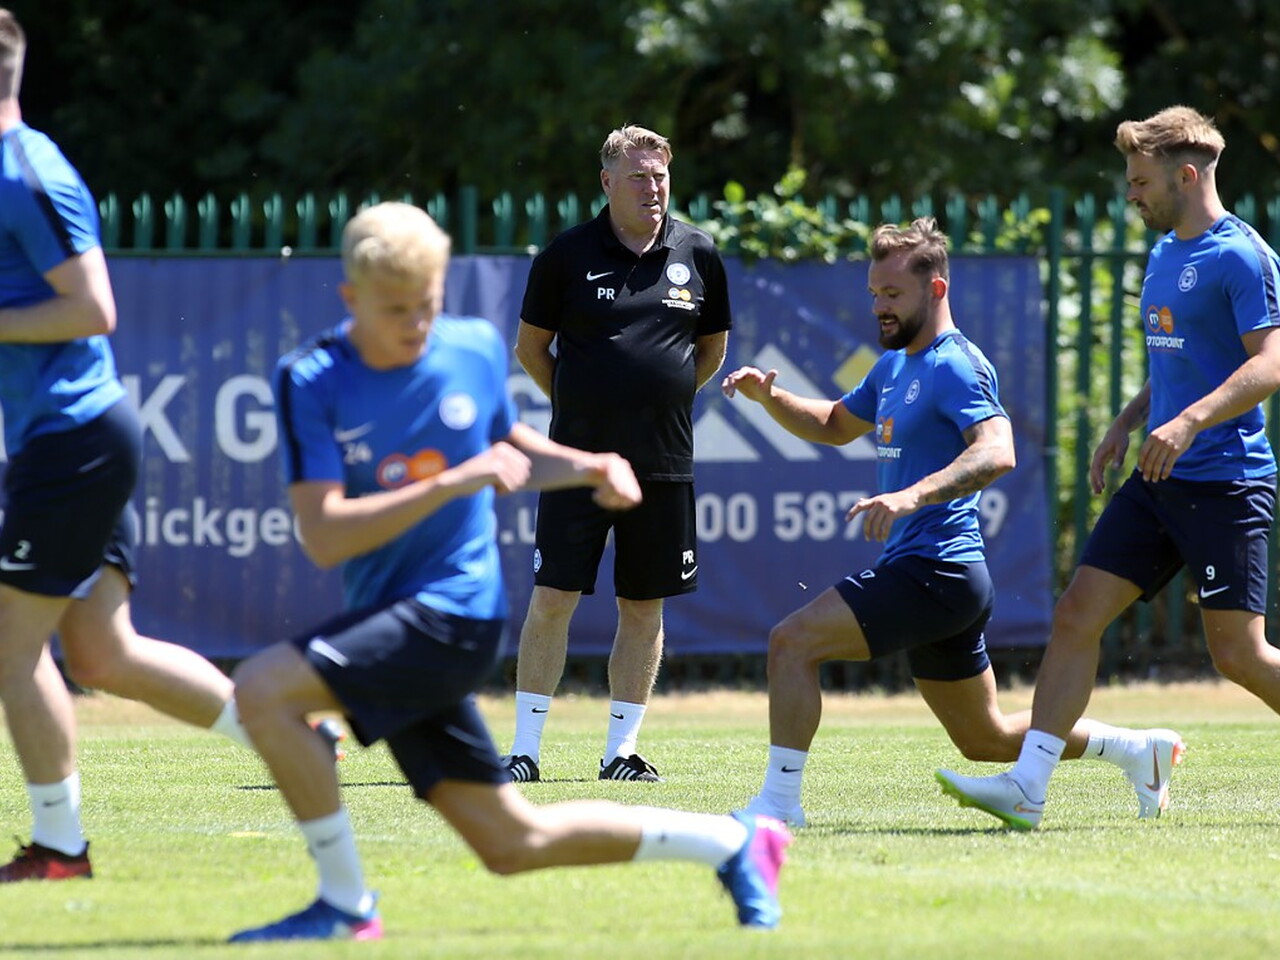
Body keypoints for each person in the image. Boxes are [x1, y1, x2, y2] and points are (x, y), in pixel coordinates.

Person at [227, 201, 788, 942]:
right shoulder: (311, 378)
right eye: (395, 310)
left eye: (428, 304)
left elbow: (509, 443)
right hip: (385, 615)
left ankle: (343, 903)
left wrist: (589, 465)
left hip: (453, 612)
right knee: (511, 842)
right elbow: (326, 536)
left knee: (261, 690)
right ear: (350, 298)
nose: (416, 325)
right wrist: (454, 481)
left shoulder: (468, 349)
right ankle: (733, 842)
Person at [0, 9, 333, 884]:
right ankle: (289, 732)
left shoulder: (25, 174)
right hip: (66, 436)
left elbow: (92, 307)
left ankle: (60, 848)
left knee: (10, 645)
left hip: (73, 436)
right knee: (103, 654)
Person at [721, 217, 1183, 829]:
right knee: (985, 738)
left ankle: (779, 807)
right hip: (940, 577)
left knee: (792, 642)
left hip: (936, 571)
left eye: (893, 294)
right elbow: (833, 424)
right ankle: (1137, 750)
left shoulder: (956, 365)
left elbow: (998, 450)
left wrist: (910, 497)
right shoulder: (893, 366)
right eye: (874, 294)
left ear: (935, 289)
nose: (879, 307)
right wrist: (771, 399)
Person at [936, 106, 1280, 829]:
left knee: (1239, 656)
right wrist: (1127, 422)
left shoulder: (1242, 256)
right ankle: (1028, 787)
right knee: (1076, 614)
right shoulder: (1164, 254)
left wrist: (1188, 422)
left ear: (1186, 176)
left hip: (1227, 481)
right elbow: (1184, 362)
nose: (1130, 194)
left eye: (1140, 181)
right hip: (1159, 477)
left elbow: (1269, 363)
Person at [501, 124, 731, 784]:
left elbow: (710, 351)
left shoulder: (699, 252)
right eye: (638, 177)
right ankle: (524, 751)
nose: (652, 188)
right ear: (607, 183)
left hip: (663, 463)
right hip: (575, 462)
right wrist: (580, 407)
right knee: (552, 599)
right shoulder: (566, 255)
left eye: (660, 176)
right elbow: (530, 349)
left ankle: (620, 753)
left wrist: (661, 398)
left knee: (644, 606)